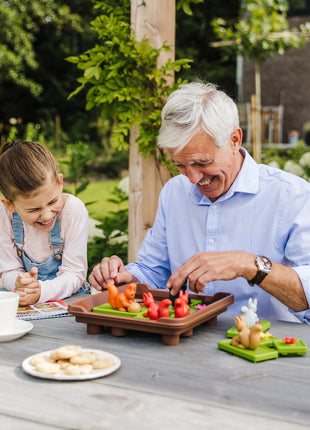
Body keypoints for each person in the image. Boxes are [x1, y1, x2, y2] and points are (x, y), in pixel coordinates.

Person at [89, 81, 310, 323]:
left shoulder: (292, 196)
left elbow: (306, 298)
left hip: (268, 349)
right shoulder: (174, 192)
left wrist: (249, 265)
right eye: (181, 165)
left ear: (235, 140)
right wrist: (122, 279)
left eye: (202, 162)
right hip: (185, 344)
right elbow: (153, 271)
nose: (193, 178)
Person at [0, 140, 89, 306]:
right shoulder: (3, 215)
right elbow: (9, 271)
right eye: (34, 210)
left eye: (52, 201)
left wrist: (40, 291)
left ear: (60, 182)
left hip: (70, 304)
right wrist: (20, 284)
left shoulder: (73, 211)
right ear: (9, 204)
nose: (47, 215)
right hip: (26, 303)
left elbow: (74, 274)